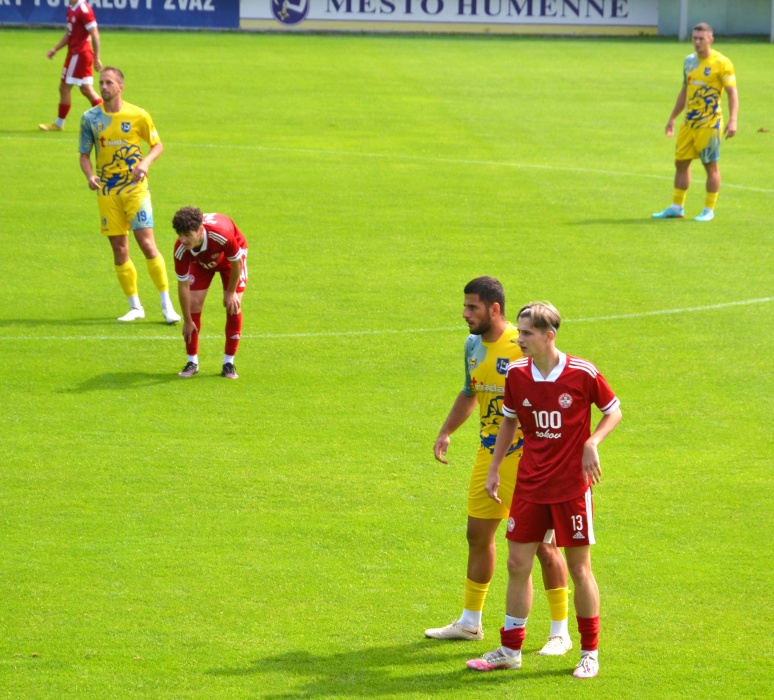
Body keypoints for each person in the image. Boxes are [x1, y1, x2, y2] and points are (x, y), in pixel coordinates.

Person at [466, 302, 621, 679]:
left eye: (527, 333)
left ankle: (589, 652)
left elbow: (613, 410)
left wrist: (593, 442)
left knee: (580, 569)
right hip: (530, 485)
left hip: (571, 487)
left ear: (549, 336)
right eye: (519, 332)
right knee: (517, 564)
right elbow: (509, 422)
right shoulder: (517, 373)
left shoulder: (582, 372)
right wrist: (493, 468)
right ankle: (511, 648)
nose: (519, 339)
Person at [425, 278, 571, 656]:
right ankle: (470, 622)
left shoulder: (522, 345)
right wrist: (446, 431)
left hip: (531, 461)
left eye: (472, 307)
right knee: (477, 536)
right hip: (489, 456)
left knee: (542, 546)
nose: (464, 314)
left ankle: (559, 630)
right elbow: (470, 392)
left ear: (494, 308)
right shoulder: (473, 345)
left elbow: (553, 390)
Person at [79, 67, 180, 324]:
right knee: (119, 248)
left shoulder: (138, 115)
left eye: (109, 82)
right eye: (101, 82)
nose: (103, 86)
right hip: (108, 192)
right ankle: (135, 306)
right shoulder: (90, 118)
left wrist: (145, 163)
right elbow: (84, 155)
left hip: (135, 189)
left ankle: (166, 304)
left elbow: (157, 145)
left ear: (120, 87)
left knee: (147, 244)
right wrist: (90, 176)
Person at [652, 22, 738, 222]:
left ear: (711, 40)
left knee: (710, 166)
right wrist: (672, 118)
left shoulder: (722, 63)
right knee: (680, 163)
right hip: (688, 123)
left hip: (710, 124)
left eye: (701, 39)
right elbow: (685, 91)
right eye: (694, 38)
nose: (697, 42)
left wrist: (733, 120)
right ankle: (676, 207)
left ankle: (708, 210)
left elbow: (732, 93)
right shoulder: (689, 61)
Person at [171, 207, 248, 380]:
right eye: (179, 234)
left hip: (231, 260)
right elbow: (183, 285)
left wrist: (230, 292)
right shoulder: (181, 249)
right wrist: (187, 320)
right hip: (201, 262)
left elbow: (237, 263)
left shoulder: (220, 235)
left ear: (199, 230)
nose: (182, 239)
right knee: (194, 304)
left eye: (187, 234)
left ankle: (228, 362)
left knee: (233, 306)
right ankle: (192, 362)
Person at [39, 0, 103, 132]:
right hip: (75, 54)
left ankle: (59, 124)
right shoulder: (72, 8)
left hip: (79, 55)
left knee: (64, 88)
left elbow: (95, 34)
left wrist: (97, 58)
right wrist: (55, 49)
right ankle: (108, 118)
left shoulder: (84, 10)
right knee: (85, 89)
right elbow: (70, 34)